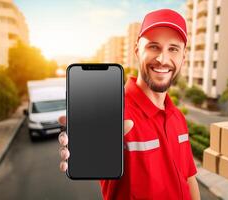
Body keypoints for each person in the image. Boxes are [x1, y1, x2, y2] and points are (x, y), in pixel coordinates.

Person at [58, 9, 201, 200]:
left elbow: (189, 177)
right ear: (137, 51)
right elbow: (97, 140)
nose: (162, 59)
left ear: (183, 56)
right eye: (153, 47)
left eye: (173, 49)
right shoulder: (115, 111)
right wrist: (88, 143)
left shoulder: (177, 116)